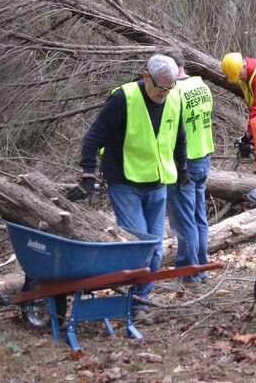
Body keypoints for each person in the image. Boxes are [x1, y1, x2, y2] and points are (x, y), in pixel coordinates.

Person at [67, 54, 188, 323]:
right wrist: (88, 174)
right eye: (161, 87)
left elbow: (179, 136)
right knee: (139, 245)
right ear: (146, 76)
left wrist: (183, 168)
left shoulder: (174, 98)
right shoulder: (124, 99)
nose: (165, 93)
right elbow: (92, 138)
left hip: (157, 184)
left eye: (171, 87)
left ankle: (140, 300)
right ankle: (132, 299)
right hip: (125, 182)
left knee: (156, 248)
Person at [159, 48, 214, 284]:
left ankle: (188, 271)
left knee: (184, 221)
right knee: (199, 217)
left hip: (184, 162)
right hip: (204, 155)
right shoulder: (201, 86)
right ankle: (201, 266)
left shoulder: (174, 93)